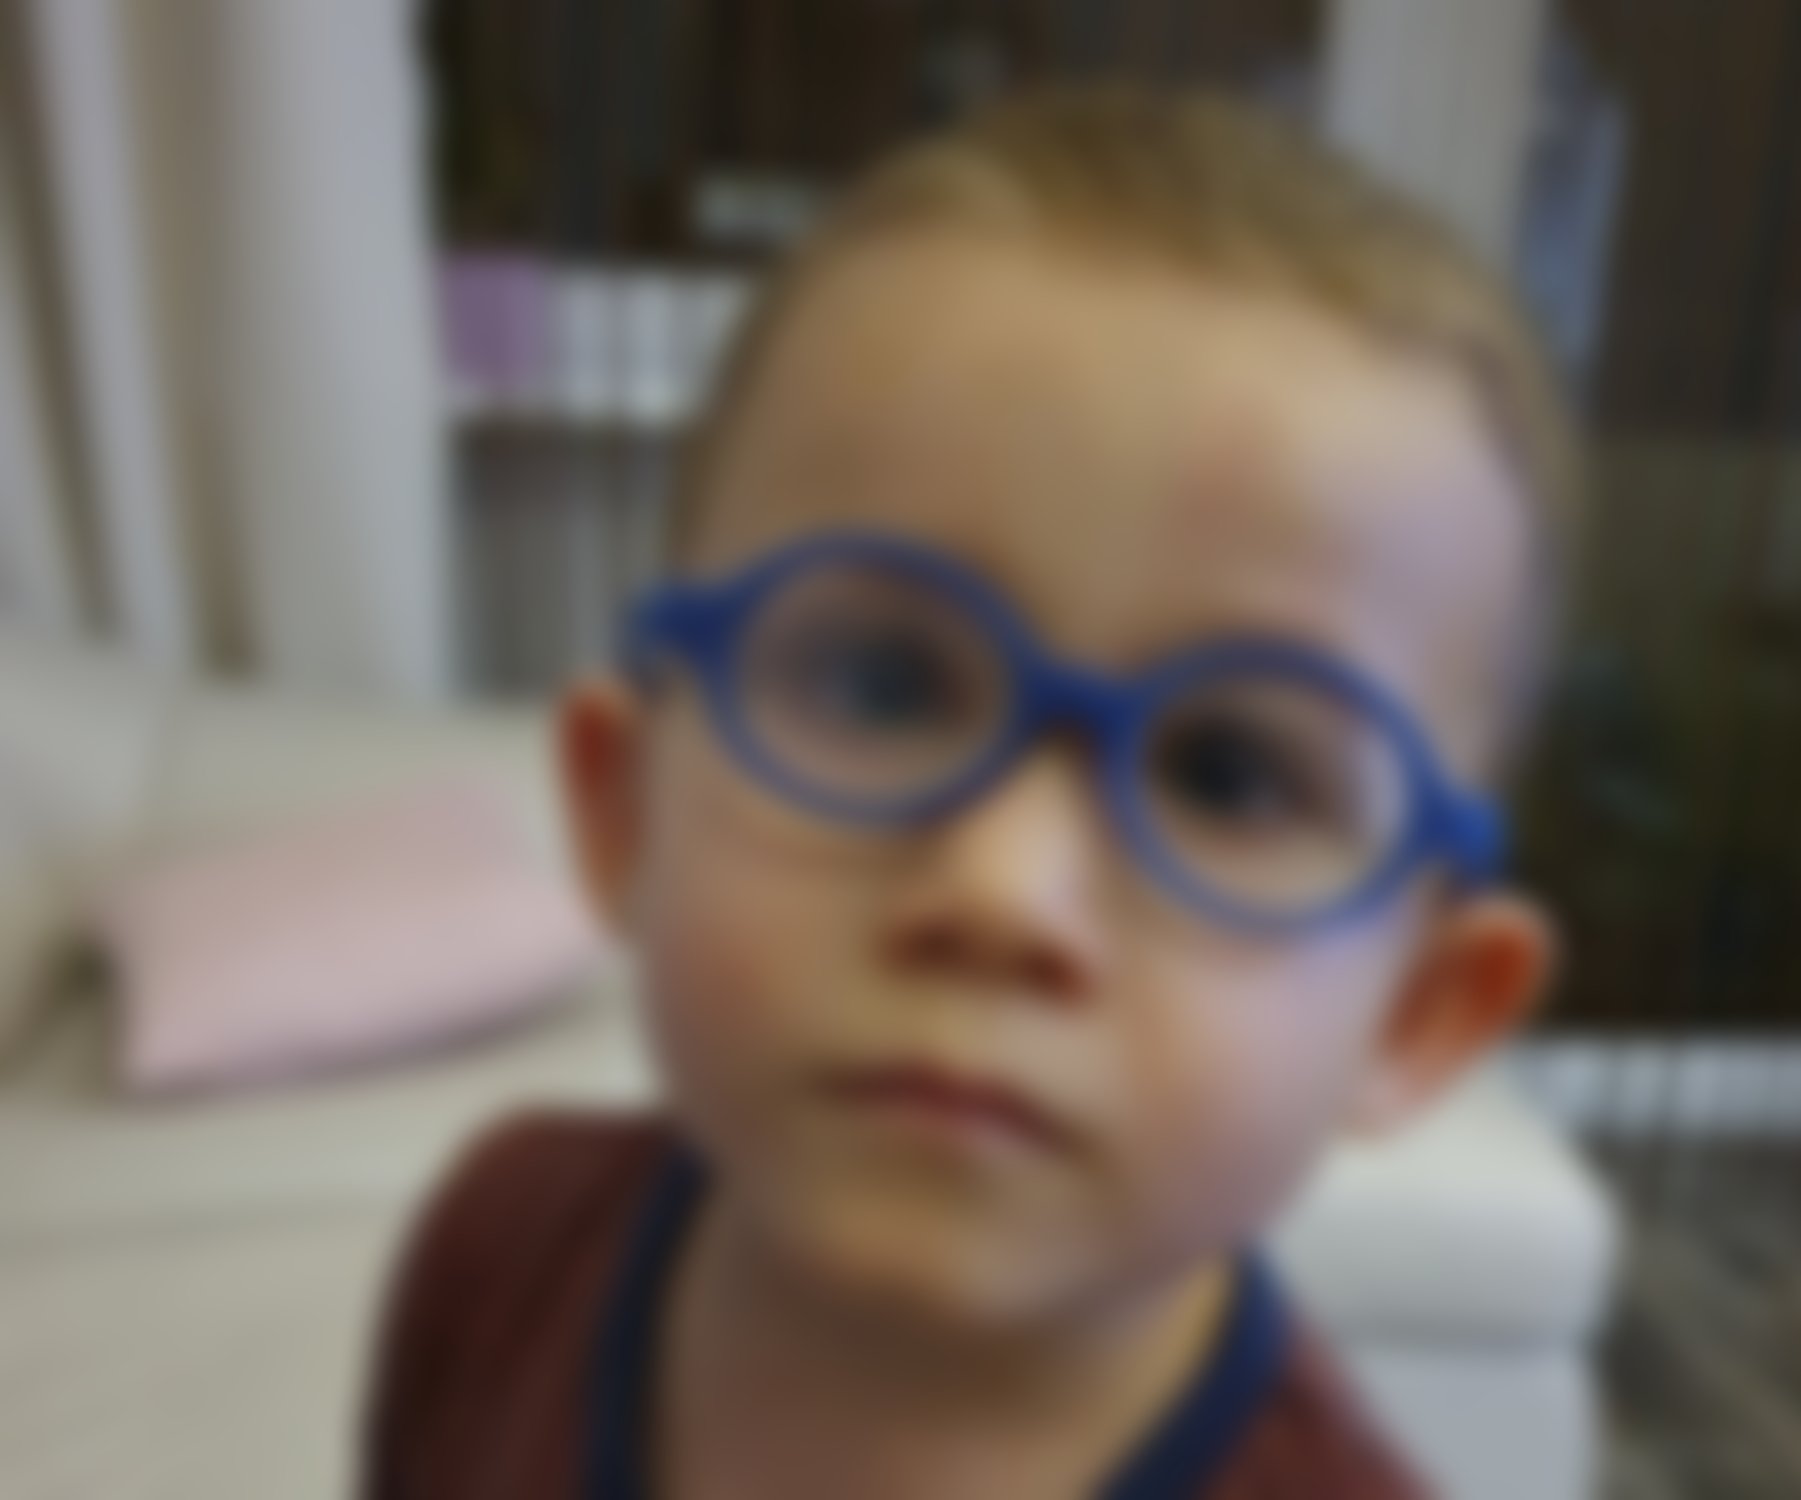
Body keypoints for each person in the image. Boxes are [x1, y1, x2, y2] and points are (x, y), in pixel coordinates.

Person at [366, 84, 1581, 1500]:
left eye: (1229, 775)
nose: (1003, 891)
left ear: (1419, 1012)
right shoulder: (500, 1246)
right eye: (881, 684)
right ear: (621, 807)